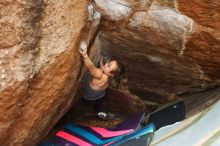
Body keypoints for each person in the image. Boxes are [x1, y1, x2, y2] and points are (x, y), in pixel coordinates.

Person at [79, 41, 126, 120]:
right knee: (98, 105)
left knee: (90, 103)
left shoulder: (99, 74)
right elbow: (104, 70)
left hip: (89, 98)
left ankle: (94, 115)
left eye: (109, 65)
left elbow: (91, 67)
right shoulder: (109, 77)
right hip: (101, 96)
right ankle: (101, 113)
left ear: (111, 74)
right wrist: (102, 64)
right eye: (109, 62)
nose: (106, 64)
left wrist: (85, 55)